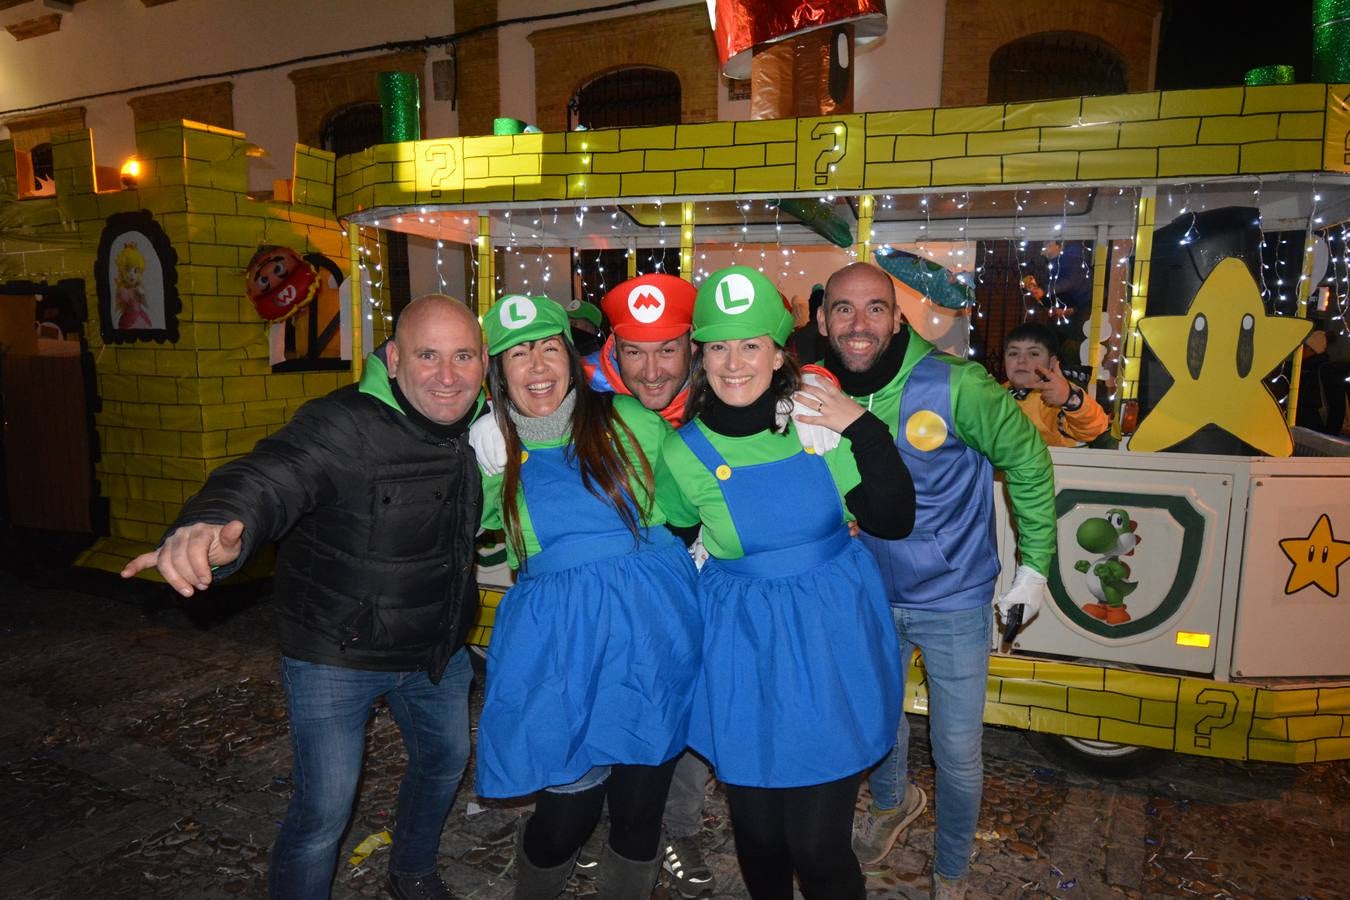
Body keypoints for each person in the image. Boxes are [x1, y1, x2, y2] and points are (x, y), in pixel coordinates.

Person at [121, 294, 487, 900]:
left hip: (433, 644)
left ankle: (413, 873)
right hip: (334, 652)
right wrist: (215, 522)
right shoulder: (342, 424)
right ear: (393, 359)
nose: (447, 376)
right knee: (323, 812)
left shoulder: (479, 426)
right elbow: (270, 475)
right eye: (428, 355)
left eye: (463, 356)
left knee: (445, 762)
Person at [656, 265, 915, 899]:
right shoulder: (682, 451)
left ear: (778, 354)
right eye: (718, 345)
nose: (734, 362)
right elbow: (676, 535)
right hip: (742, 651)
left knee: (818, 844)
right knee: (760, 838)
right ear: (701, 357)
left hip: (828, 646)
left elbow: (893, 518)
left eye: (751, 345)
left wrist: (860, 424)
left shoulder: (819, 425)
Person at [815, 263, 1055, 900]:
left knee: (956, 750)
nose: (858, 324)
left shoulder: (956, 385)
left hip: (952, 598)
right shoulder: (814, 390)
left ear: (898, 318)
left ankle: (951, 869)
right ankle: (893, 805)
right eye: (843, 309)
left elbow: (1028, 460)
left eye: (874, 309)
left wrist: (1035, 567)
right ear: (822, 319)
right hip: (865, 596)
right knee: (875, 724)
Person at [471, 294, 701, 899]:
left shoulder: (633, 421)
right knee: (566, 813)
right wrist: (462, 445)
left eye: (549, 347)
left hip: (649, 639)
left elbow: (692, 501)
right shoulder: (492, 454)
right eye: (517, 353)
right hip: (561, 650)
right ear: (498, 372)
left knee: (639, 808)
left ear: (572, 360)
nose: (538, 364)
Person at [1002, 321, 1109, 448]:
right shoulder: (995, 393)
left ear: (1052, 363)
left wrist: (1069, 399)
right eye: (1013, 353)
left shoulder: (1058, 393)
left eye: (1033, 354)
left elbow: (1093, 428)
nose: (1021, 360)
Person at [1026, 240, 1093, 358]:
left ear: (1059, 246)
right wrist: (1040, 295)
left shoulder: (1070, 260)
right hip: (1062, 315)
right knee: (1057, 346)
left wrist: (1043, 291)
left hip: (1079, 311)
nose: (1044, 247)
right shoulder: (1050, 265)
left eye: (1047, 244)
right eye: (1043, 244)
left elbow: (1069, 282)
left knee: (1073, 347)